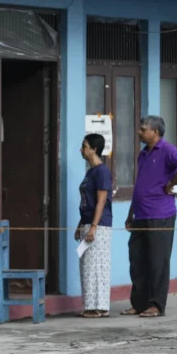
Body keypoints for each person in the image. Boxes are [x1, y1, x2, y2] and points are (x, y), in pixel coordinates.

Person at [122, 115, 177, 318]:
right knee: (137, 259)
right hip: (140, 214)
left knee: (158, 260)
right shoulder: (143, 154)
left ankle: (156, 305)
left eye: (143, 129)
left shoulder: (167, 150)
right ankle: (139, 303)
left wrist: (170, 185)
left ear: (155, 132)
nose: (139, 132)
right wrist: (130, 213)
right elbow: (140, 184)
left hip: (160, 214)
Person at [74, 134, 113, 318]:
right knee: (88, 265)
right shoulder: (90, 172)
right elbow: (87, 202)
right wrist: (81, 224)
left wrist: (94, 227)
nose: (81, 150)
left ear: (94, 149)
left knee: (95, 266)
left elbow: (101, 200)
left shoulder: (101, 171)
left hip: (99, 225)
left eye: (84, 146)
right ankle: (97, 306)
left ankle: (95, 307)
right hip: (89, 222)